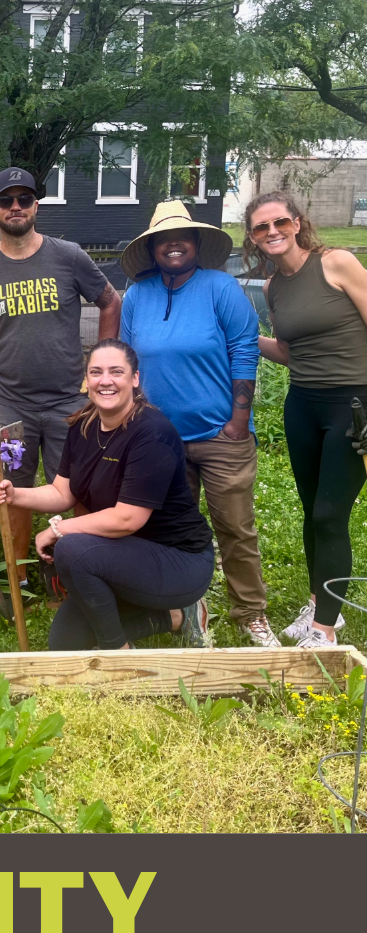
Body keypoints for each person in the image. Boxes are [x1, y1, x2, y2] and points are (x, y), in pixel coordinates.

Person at [0, 166, 122, 586]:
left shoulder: (69, 256)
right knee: (12, 489)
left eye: (24, 199)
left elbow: (110, 301)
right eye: (6, 200)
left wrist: (97, 367)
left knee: (80, 487)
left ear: (35, 206)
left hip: (68, 398)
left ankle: (77, 571)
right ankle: (21, 574)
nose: (16, 207)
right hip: (9, 399)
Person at [0, 340, 214, 650]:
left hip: (178, 561)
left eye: (116, 371)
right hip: (124, 555)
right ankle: (177, 617)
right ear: (87, 380)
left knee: (72, 549)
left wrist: (57, 530)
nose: (105, 380)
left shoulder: (152, 433)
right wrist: (14, 495)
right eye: (96, 372)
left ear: (134, 379)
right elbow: (61, 492)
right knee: (65, 642)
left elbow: (126, 518)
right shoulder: (83, 426)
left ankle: (117, 652)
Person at [119, 201, 276, 647]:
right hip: (159, 439)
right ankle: (182, 608)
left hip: (220, 434)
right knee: (168, 528)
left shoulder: (221, 288)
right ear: (151, 249)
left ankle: (250, 613)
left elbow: (245, 349)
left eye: (182, 237)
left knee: (234, 525)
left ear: (196, 244)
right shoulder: (137, 296)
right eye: (163, 239)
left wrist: (238, 422)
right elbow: (127, 362)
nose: (173, 244)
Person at [247, 191, 367, 648]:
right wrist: (246, 337)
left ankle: (325, 632)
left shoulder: (336, 263)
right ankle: (320, 602)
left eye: (279, 222)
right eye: (261, 228)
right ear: (254, 238)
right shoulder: (275, 287)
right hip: (303, 404)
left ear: (297, 223)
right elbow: (289, 351)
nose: (272, 232)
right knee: (310, 513)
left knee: (330, 514)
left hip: (353, 406)